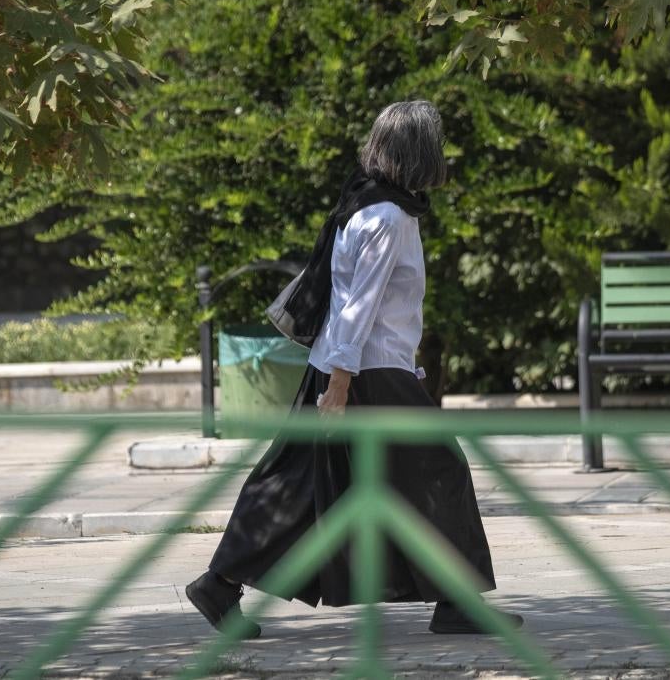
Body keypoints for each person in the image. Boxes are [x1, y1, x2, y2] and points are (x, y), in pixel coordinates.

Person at [185, 100, 522, 638]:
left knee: (297, 483)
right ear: (419, 153)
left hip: (345, 367)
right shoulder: (387, 217)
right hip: (368, 371)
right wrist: (341, 388)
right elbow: (356, 306)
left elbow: (349, 301)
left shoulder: (366, 204)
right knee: (441, 470)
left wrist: (334, 381)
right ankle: (457, 604)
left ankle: (219, 583)